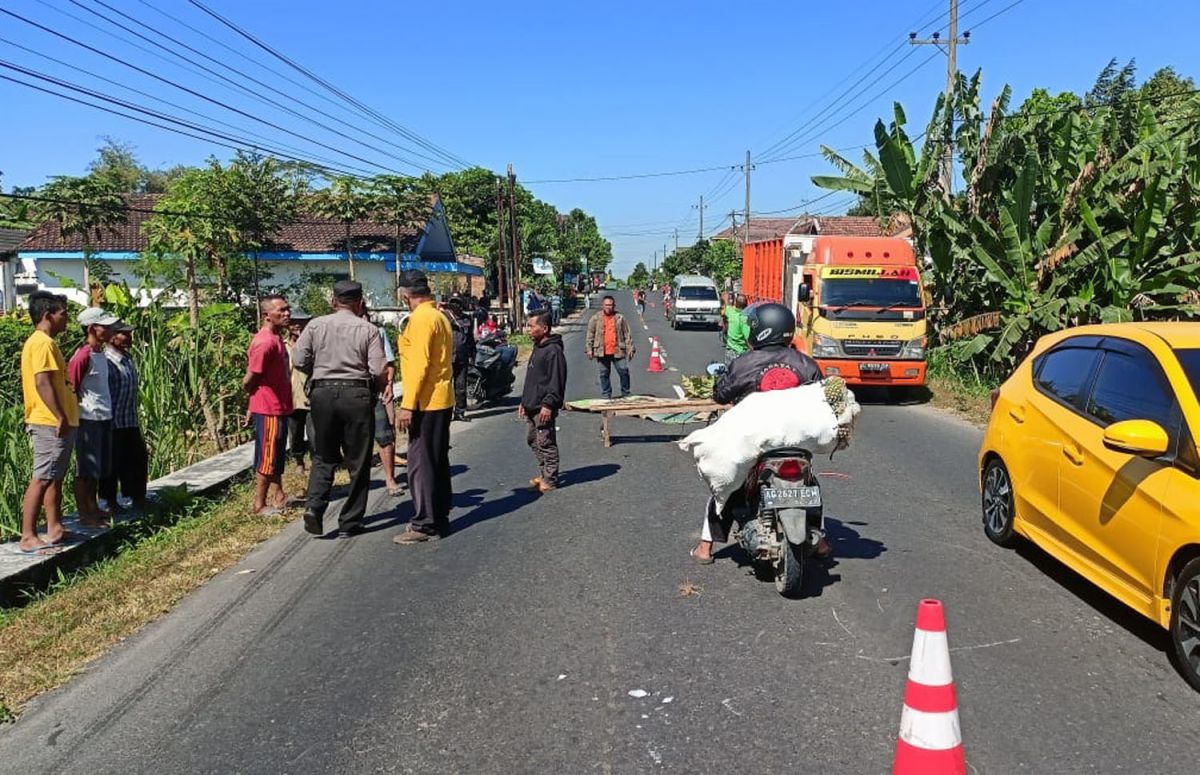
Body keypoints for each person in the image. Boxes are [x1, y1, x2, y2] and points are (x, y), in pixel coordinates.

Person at [689, 302, 827, 565]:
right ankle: (821, 543)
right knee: (811, 484)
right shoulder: (807, 363)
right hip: (795, 443)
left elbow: (720, 395)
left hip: (756, 443)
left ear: (759, 331)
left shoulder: (744, 363)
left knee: (726, 488)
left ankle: (705, 547)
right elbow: (820, 399)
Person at [292, 281, 387, 538]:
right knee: (358, 460)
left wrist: (319, 373)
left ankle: (314, 507)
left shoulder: (315, 325)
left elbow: (298, 360)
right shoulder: (368, 329)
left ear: (333, 301)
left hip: (322, 394)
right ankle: (350, 521)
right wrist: (377, 390)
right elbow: (378, 369)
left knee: (324, 455)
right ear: (360, 302)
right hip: (357, 393)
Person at [393, 270, 455, 544]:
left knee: (420, 463)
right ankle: (439, 516)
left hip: (425, 401)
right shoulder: (439, 316)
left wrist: (407, 405)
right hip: (441, 398)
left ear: (405, 295)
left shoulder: (420, 320)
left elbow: (419, 366)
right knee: (437, 460)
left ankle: (425, 523)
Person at [19, 291, 80, 553]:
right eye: (63, 315)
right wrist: (60, 416)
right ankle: (28, 536)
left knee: (54, 477)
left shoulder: (46, 343)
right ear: (47, 315)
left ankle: (54, 527)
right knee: (42, 477)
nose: (66, 320)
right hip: (48, 421)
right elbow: (42, 382)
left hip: (55, 420)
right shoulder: (41, 343)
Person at [68, 306, 121, 527]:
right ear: (92, 328)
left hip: (104, 416)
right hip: (88, 418)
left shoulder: (101, 354)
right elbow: (72, 386)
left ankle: (93, 507)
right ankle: (85, 513)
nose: (110, 330)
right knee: (86, 470)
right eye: (105, 327)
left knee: (98, 468)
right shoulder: (83, 356)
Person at [243, 295, 293, 516]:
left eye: (287, 309)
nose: (286, 313)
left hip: (278, 406)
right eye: (281, 310)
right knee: (267, 456)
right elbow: (250, 378)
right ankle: (259, 504)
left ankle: (278, 494)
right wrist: (253, 400)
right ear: (267, 315)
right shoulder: (264, 342)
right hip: (269, 407)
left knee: (276, 452)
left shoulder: (276, 338)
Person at [99, 321, 148, 511]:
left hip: (129, 418)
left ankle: (138, 497)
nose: (128, 338)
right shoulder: (107, 361)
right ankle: (110, 501)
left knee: (137, 458)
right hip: (112, 422)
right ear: (112, 337)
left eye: (129, 334)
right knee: (112, 463)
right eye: (122, 334)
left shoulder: (127, 358)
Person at [519, 309, 567, 494]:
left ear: (544, 328)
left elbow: (556, 381)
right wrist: (524, 401)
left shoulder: (553, 351)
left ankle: (550, 478)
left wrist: (548, 404)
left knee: (546, 442)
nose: (528, 330)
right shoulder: (538, 347)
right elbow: (533, 378)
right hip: (531, 404)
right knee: (533, 440)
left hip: (543, 407)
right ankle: (543, 472)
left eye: (531, 326)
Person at [363, 304, 403, 497]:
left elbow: (388, 363)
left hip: (376, 392)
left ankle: (390, 479)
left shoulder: (377, 333)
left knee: (385, 435)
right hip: (352, 395)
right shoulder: (339, 333)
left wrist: (387, 385)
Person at [585, 295, 636, 399]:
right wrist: (589, 349)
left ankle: (625, 392)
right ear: (602, 305)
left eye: (610, 305)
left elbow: (627, 334)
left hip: (618, 350)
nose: (608, 307)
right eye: (606, 305)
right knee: (604, 373)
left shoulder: (620, 318)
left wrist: (630, 348)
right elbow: (590, 334)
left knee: (624, 370)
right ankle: (606, 394)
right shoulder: (595, 318)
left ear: (614, 306)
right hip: (601, 351)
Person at [285, 308, 314, 474]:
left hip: (311, 397)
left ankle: (316, 461)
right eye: (294, 322)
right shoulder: (283, 346)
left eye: (302, 322)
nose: (298, 325)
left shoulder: (314, 345)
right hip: (292, 398)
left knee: (314, 435)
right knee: (295, 433)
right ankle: (299, 461)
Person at [444, 295, 476, 422]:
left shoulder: (467, 319)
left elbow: (470, 339)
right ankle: (446, 413)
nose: (456, 305)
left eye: (458, 303)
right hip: (447, 357)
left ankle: (460, 412)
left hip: (462, 357)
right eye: (453, 303)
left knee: (461, 386)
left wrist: (472, 354)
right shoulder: (444, 318)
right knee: (446, 387)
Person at [723, 294, 751, 364]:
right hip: (740, 353)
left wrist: (726, 299)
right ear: (746, 305)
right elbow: (748, 339)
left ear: (735, 303)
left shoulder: (730, 312)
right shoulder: (744, 319)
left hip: (729, 351)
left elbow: (727, 306)